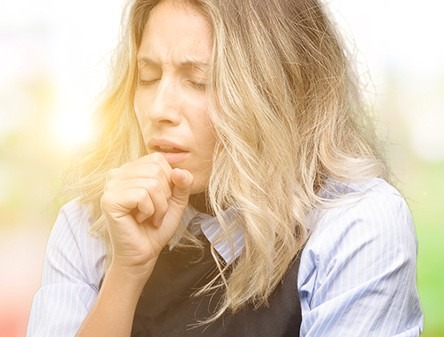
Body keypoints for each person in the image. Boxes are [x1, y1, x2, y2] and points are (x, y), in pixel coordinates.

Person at [27, 0, 423, 336]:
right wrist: (126, 273)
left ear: (279, 92)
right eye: (148, 77)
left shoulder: (357, 226)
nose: (159, 110)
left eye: (199, 81)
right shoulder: (88, 227)